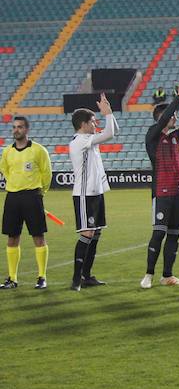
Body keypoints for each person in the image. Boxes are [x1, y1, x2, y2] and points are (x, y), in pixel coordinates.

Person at [141, 82, 179, 289]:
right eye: (173, 115)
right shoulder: (152, 136)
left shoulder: (175, 136)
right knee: (159, 233)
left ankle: (168, 275)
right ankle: (148, 274)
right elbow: (165, 117)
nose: (175, 118)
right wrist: (178, 98)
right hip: (161, 192)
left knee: (175, 234)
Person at [68, 94, 119, 291]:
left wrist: (109, 114)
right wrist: (107, 114)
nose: (96, 124)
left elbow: (113, 130)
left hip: (97, 193)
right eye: (92, 121)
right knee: (87, 233)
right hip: (84, 195)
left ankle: (86, 276)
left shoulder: (89, 139)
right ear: (83, 124)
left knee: (96, 234)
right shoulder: (80, 140)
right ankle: (76, 279)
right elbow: (109, 134)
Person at [0, 117, 51, 290]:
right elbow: (5, 170)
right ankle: (12, 279)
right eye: (14, 127)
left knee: (38, 236)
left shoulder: (38, 150)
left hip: (32, 196)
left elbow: (47, 173)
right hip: (13, 197)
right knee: (12, 237)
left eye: (20, 127)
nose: (16, 130)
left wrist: (40, 193)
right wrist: (14, 184)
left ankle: (42, 277)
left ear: (27, 129)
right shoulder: (7, 152)